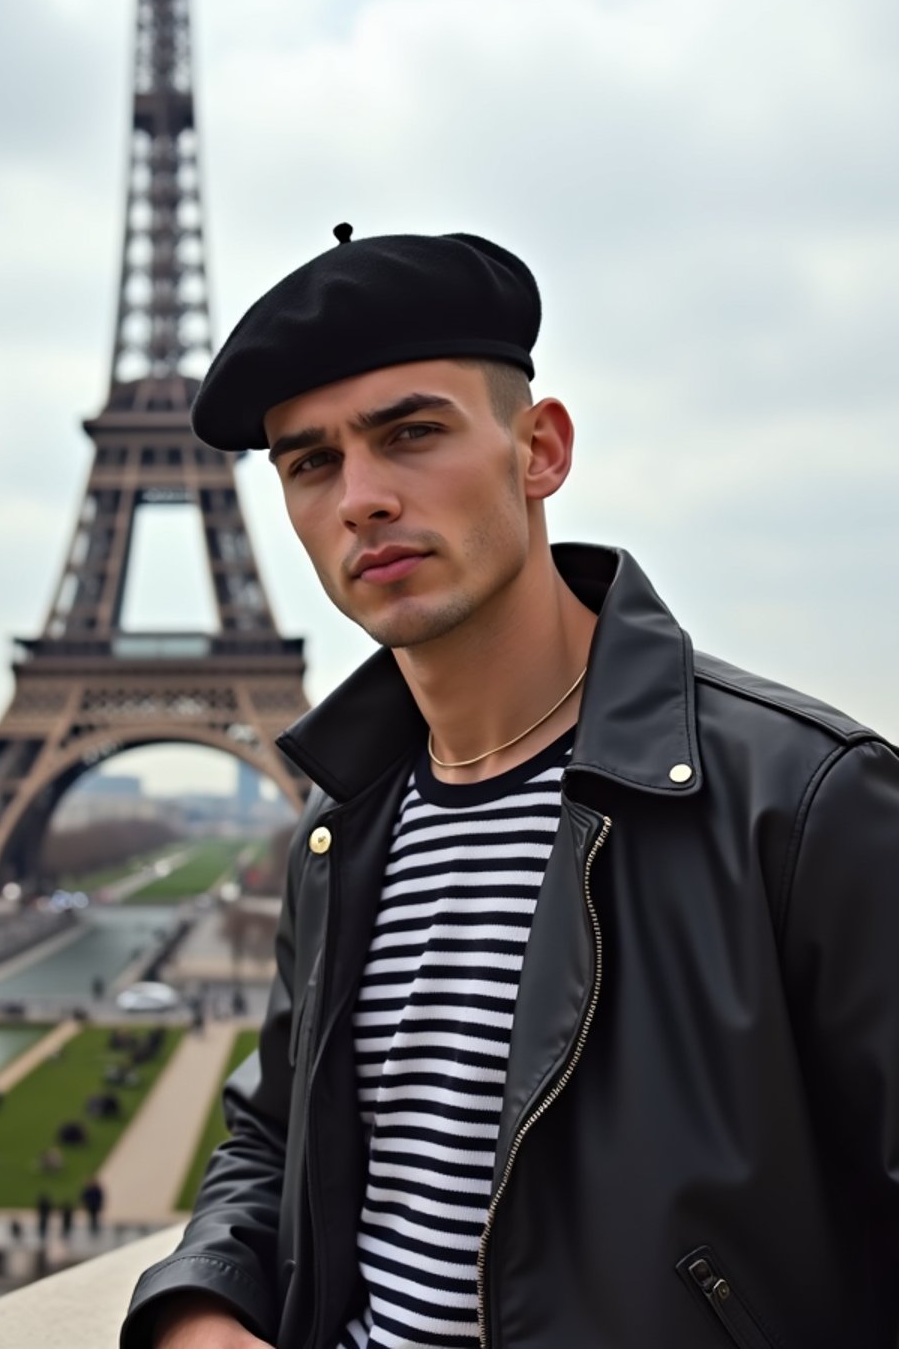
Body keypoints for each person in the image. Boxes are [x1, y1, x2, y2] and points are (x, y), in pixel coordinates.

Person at [121, 229, 899, 1348]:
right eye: (311, 462)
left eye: (412, 434)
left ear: (539, 449)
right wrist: (199, 1314)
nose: (362, 499)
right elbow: (275, 1135)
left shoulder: (809, 804)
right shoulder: (342, 826)